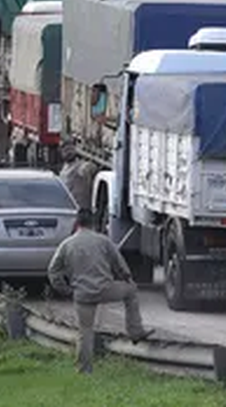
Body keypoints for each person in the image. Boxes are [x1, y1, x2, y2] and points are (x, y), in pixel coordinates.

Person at [47, 207, 153, 373]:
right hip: (106, 289)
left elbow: (53, 271)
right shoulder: (103, 241)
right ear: (94, 223)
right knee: (131, 292)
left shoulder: (66, 245)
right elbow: (120, 264)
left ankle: (84, 369)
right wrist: (127, 278)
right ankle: (135, 331)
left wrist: (65, 290)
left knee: (85, 331)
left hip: (82, 294)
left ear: (76, 224)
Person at [58, 140, 98, 214]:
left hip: (81, 209)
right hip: (69, 207)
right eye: (66, 151)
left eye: (70, 150)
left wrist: (89, 167)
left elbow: (88, 168)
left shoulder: (80, 165)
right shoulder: (64, 168)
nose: (68, 153)